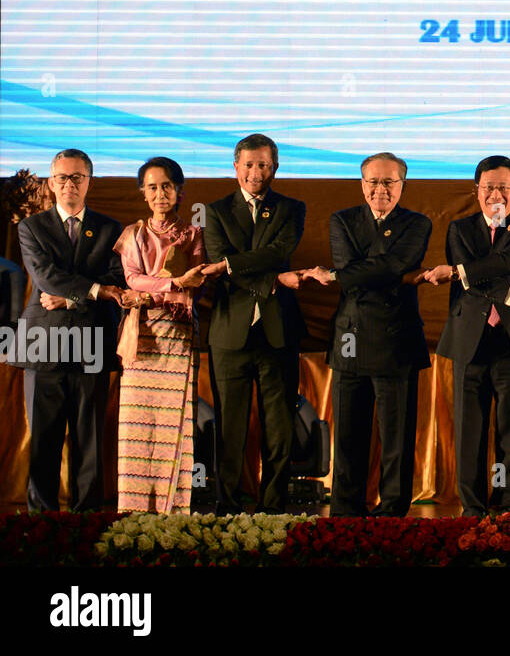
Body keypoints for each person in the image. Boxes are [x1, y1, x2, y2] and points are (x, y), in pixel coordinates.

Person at [299, 152, 432, 517]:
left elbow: (386, 266)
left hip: (397, 341)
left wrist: (349, 274)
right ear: (362, 184)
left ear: (402, 185)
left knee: (396, 440)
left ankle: (392, 515)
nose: (380, 190)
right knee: (349, 440)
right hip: (351, 339)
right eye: (373, 182)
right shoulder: (342, 220)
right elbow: (367, 268)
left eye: (389, 182)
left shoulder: (418, 223)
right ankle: (345, 515)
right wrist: (376, 272)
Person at [431, 155, 510, 516]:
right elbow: (484, 280)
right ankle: (473, 506)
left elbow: (506, 263)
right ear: (476, 191)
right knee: (470, 432)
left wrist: (460, 271)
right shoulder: (459, 229)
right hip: (470, 340)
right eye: (489, 187)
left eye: (504, 188)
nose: (496, 194)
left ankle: (507, 502)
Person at [16, 149, 130, 511]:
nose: (69, 184)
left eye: (77, 177)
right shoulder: (31, 227)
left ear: (89, 182)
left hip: (93, 341)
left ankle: (87, 523)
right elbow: (46, 277)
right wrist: (94, 291)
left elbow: (117, 279)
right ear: (51, 184)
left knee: (89, 440)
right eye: (62, 178)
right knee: (44, 441)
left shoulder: (112, 229)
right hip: (43, 344)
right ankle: (42, 524)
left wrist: (70, 300)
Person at [203, 133, 306, 514]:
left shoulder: (292, 208)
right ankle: (227, 508)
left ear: (275, 167)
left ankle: (273, 509)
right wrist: (273, 279)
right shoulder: (215, 211)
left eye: (263, 164)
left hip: (278, 333)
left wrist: (231, 264)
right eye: (248, 164)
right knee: (229, 428)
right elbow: (219, 264)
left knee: (278, 429)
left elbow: (279, 252)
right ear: (235, 167)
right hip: (229, 335)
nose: (255, 172)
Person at [113, 157, 208, 513]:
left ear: (180, 191)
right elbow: (132, 279)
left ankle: (174, 508)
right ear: (143, 193)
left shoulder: (195, 235)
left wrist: (177, 287)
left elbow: (196, 283)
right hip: (144, 334)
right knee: (138, 424)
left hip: (179, 335)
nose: (159, 194)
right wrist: (172, 284)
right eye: (152, 187)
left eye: (166, 186)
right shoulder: (133, 235)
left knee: (174, 425)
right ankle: (133, 511)